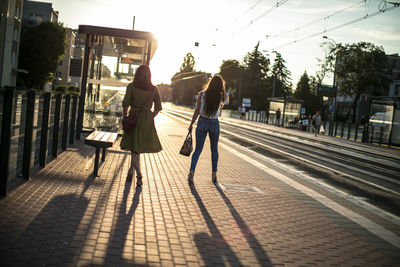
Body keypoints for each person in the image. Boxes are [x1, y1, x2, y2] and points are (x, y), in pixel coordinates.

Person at [120, 65, 162, 186]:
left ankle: (139, 174)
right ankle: (130, 172)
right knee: (136, 147)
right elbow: (158, 108)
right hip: (147, 121)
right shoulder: (154, 89)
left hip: (134, 118)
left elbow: (125, 103)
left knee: (134, 148)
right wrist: (149, 117)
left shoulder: (131, 86)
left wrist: (125, 117)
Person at [187, 75, 227, 184]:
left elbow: (197, 110)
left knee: (198, 150)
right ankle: (214, 174)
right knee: (214, 150)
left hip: (202, 122)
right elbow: (220, 110)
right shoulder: (221, 96)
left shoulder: (202, 94)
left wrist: (191, 124)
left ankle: (191, 171)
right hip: (214, 123)